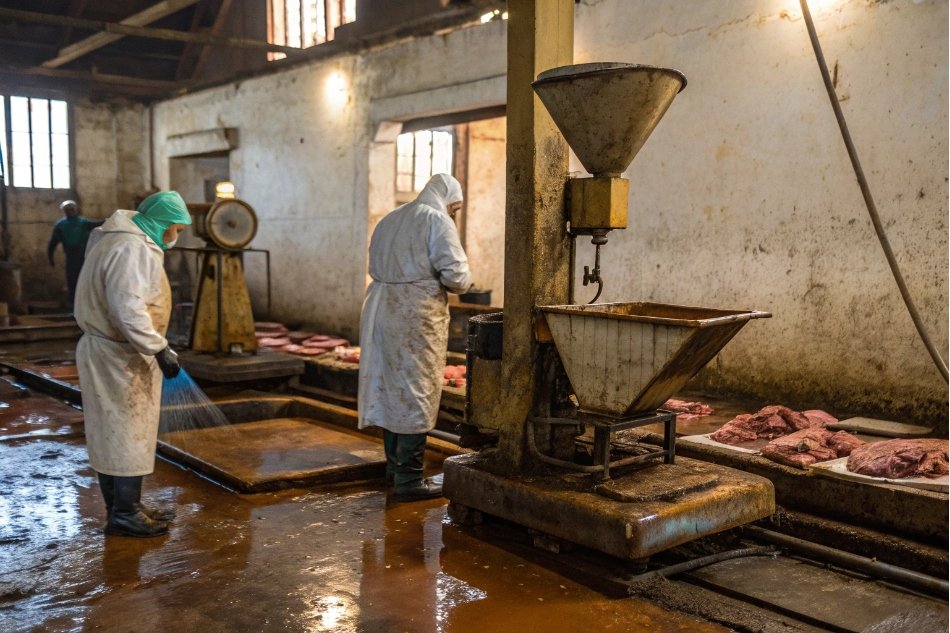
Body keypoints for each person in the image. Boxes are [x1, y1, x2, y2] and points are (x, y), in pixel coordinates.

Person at [74, 191, 192, 537]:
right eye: (176, 228)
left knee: (113, 432)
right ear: (161, 223)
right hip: (120, 355)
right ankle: (124, 512)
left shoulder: (118, 239)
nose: (176, 235)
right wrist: (158, 347)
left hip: (113, 351)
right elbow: (127, 307)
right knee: (127, 433)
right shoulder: (131, 248)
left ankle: (124, 509)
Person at [358, 174, 472, 501]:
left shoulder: (391, 218)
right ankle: (408, 480)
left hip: (380, 309)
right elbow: (458, 278)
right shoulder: (437, 220)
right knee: (415, 390)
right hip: (414, 314)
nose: (454, 213)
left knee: (391, 387)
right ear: (447, 200)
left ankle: (394, 470)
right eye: (455, 208)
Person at [47, 200, 104, 307]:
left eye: (72, 208)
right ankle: (74, 303)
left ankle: (85, 303)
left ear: (76, 209)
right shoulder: (61, 225)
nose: (71, 210)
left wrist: (110, 220)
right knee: (73, 280)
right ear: (64, 211)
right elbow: (52, 243)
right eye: (68, 209)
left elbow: (97, 224)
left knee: (84, 279)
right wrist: (50, 257)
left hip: (84, 256)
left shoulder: (83, 222)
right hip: (72, 256)